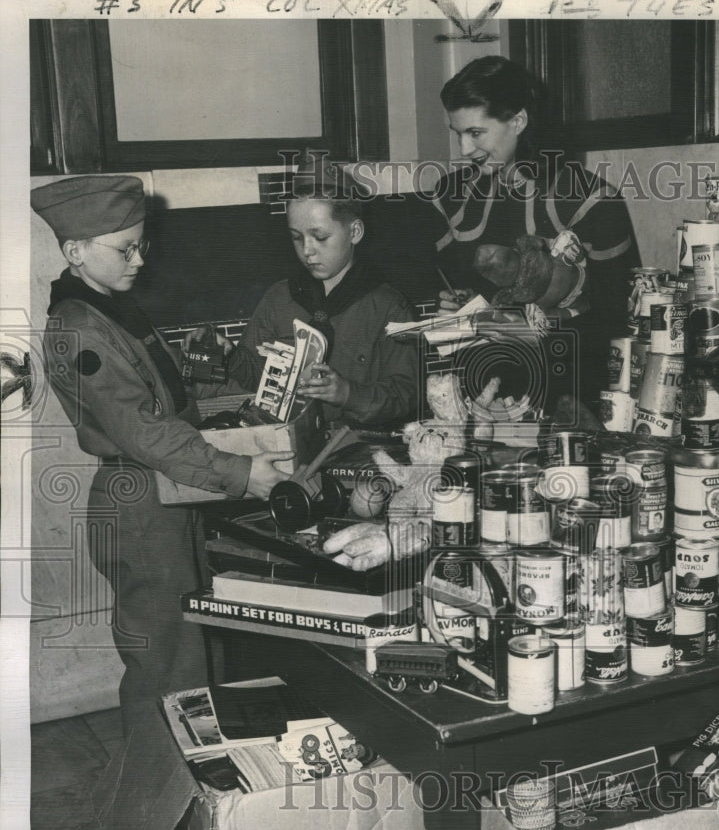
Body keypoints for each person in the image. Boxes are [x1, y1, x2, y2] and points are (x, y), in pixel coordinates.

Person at [31, 175, 292, 737]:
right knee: (167, 666)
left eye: (141, 245)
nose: (139, 260)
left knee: (194, 651)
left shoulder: (109, 310)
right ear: (75, 252)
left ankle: (205, 788)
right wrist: (242, 473)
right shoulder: (78, 330)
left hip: (163, 495)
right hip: (140, 501)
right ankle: (159, 794)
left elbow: (166, 405)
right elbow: (146, 433)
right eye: (124, 248)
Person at [427, 55, 640, 404]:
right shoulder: (449, 198)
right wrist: (448, 304)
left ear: (519, 121)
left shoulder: (592, 199)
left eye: (476, 133)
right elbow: (438, 291)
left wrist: (537, 329)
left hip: (566, 390)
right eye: (458, 134)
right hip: (472, 389)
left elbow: (619, 320)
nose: (464, 150)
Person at [187, 159, 419, 429]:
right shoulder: (279, 298)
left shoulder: (390, 307)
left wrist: (346, 393)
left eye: (319, 237)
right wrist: (230, 356)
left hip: (358, 443)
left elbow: (407, 395)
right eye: (297, 237)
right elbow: (256, 379)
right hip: (287, 440)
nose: (307, 250)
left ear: (354, 232)